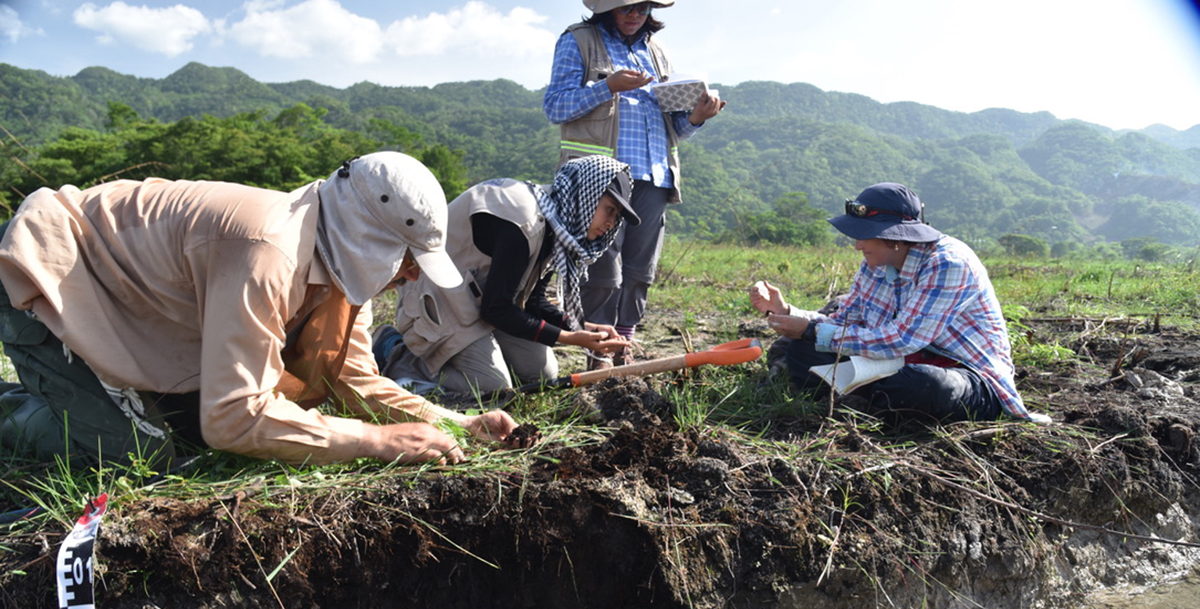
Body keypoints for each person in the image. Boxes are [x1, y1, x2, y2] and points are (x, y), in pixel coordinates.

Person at [0, 151, 519, 469]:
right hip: (55, 279)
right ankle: (16, 410)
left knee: (185, 431)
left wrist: (455, 420)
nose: (409, 275)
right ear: (367, 241)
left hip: (138, 315)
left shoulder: (336, 266)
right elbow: (230, 419)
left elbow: (352, 380)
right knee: (145, 455)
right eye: (407, 260)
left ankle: (83, 395)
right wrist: (376, 441)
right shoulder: (268, 251)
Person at [750, 182, 1048, 423]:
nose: (857, 245)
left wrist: (812, 331)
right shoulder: (875, 264)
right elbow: (846, 318)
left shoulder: (948, 264)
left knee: (925, 385)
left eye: (864, 236)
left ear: (894, 237)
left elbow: (902, 340)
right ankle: (873, 403)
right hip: (892, 362)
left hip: (960, 370)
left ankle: (866, 400)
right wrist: (787, 312)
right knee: (802, 349)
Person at [544, 0, 725, 370]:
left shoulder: (655, 52)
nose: (635, 15)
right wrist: (607, 87)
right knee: (602, 269)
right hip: (602, 175)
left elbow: (673, 126)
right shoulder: (579, 41)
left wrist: (696, 117)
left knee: (640, 269)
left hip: (654, 173)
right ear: (607, 8)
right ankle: (601, 353)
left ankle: (624, 343)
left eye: (642, 8)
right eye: (626, 7)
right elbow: (555, 107)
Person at [377, 154, 640, 397]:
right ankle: (395, 353)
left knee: (542, 374)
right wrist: (570, 338)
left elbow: (533, 303)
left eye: (616, 216)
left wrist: (583, 327)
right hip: (439, 301)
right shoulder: (522, 221)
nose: (610, 224)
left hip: (478, 302)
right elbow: (497, 309)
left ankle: (473, 356)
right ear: (586, 195)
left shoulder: (556, 226)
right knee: (494, 389)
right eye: (610, 209)